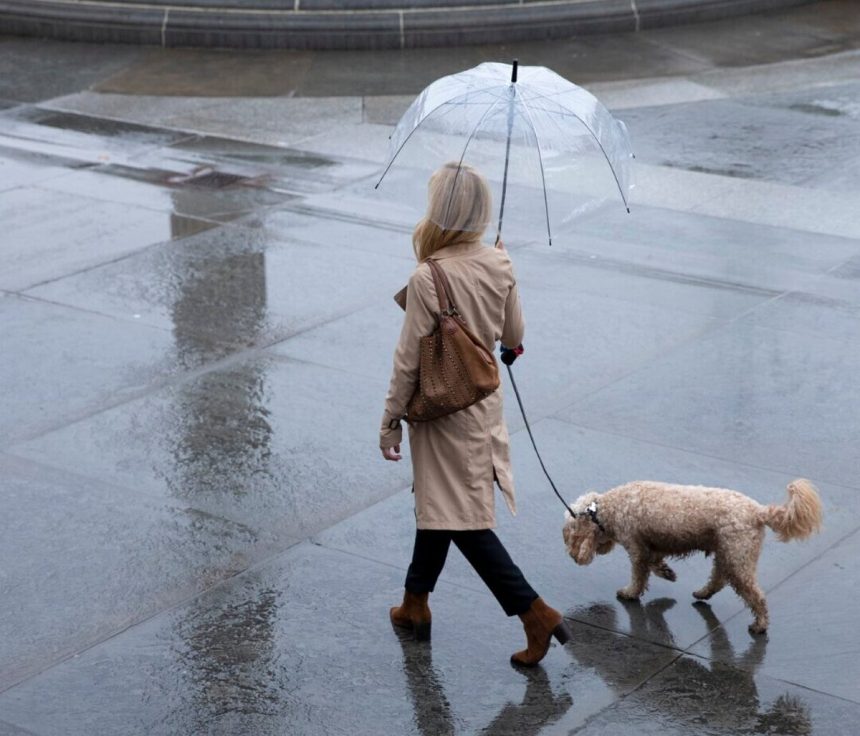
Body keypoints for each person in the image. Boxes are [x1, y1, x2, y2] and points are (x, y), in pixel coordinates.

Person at [379, 162, 571, 667]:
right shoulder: (498, 263)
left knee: (463, 522)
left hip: (441, 412)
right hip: (483, 408)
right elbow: (513, 338)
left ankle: (535, 613)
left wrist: (389, 420)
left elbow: (408, 360)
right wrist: (506, 272)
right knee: (443, 507)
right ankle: (415, 603)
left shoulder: (428, 276)